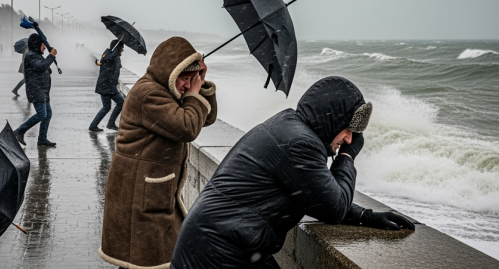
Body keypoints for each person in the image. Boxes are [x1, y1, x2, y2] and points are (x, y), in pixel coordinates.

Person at [170, 76, 415, 269]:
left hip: (221, 246)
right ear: (332, 119)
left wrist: (367, 216)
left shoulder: (291, 129)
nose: (349, 138)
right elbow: (334, 208)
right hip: (218, 253)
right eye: (348, 130)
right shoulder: (299, 143)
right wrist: (347, 157)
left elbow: (315, 194)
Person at [99, 37, 217, 269]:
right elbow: (188, 127)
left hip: (149, 189)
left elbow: (207, 117)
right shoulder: (149, 94)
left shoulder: (165, 89)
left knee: (146, 258)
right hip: (138, 191)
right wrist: (193, 93)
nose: (186, 86)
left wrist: (199, 84)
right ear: (170, 72)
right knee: (142, 258)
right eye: (185, 79)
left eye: (190, 80)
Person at [13, 33, 57, 147]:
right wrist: (51, 56)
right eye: (43, 44)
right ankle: (19, 131)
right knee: (42, 114)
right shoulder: (31, 55)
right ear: (37, 44)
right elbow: (41, 67)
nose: (44, 47)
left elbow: (43, 68)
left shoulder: (37, 55)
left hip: (42, 90)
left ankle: (42, 138)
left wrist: (48, 64)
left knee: (48, 114)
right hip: (36, 90)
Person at [88, 39, 124, 132]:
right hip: (106, 85)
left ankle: (98, 125)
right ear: (117, 48)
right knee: (118, 103)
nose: (123, 50)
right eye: (122, 47)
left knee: (109, 106)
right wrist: (116, 54)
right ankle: (108, 124)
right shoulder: (110, 55)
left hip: (108, 85)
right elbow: (108, 60)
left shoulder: (113, 56)